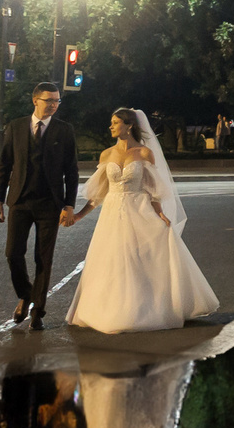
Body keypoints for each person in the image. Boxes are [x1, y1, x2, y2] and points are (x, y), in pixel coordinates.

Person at [68, 108, 219, 334]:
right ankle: (110, 309)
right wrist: (79, 215)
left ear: (129, 126)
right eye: (111, 122)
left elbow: (153, 189)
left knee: (140, 259)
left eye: (115, 122)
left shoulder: (145, 153)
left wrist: (159, 212)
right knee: (113, 260)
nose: (110, 126)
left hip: (138, 209)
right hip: (112, 214)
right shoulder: (106, 155)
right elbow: (99, 193)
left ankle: (146, 308)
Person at [0, 82, 80, 332]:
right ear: (35, 101)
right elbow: (3, 165)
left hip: (49, 205)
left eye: (57, 101)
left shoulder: (64, 130)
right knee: (13, 254)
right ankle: (26, 294)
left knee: (43, 258)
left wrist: (69, 204)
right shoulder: (16, 127)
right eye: (48, 100)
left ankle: (37, 311)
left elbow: (71, 171)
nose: (53, 104)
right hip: (19, 201)